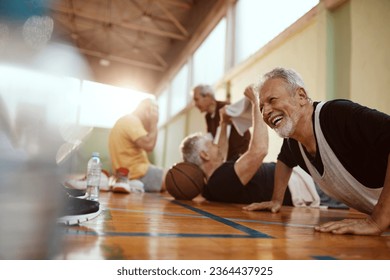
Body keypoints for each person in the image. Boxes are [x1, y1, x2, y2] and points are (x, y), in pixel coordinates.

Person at [243, 67, 390, 236]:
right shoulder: (293, 143)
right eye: (261, 107)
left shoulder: (337, 114)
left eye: (272, 100)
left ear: (301, 96)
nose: (266, 111)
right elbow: (284, 160)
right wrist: (276, 200)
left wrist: (377, 221)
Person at [181, 86, 321, 206]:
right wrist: (256, 102)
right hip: (303, 186)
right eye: (211, 144)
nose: (216, 145)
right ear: (204, 155)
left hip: (298, 179)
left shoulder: (213, 181)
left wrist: (224, 124)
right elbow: (260, 150)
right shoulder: (221, 180)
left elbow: (221, 154)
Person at [108, 98, 164, 193]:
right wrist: (154, 122)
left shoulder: (125, 121)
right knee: (177, 176)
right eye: (154, 111)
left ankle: (133, 184)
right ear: (147, 111)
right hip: (139, 173)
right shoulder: (131, 120)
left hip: (128, 174)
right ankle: (134, 183)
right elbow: (149, 145)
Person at [192, 84, 251, 161]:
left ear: (208, 96)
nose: (195, 104)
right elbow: (212, 139)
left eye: (196, 99)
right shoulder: (208, 117)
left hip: (239, 154)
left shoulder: (225, 108)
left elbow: (222, 138)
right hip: (226, 155)